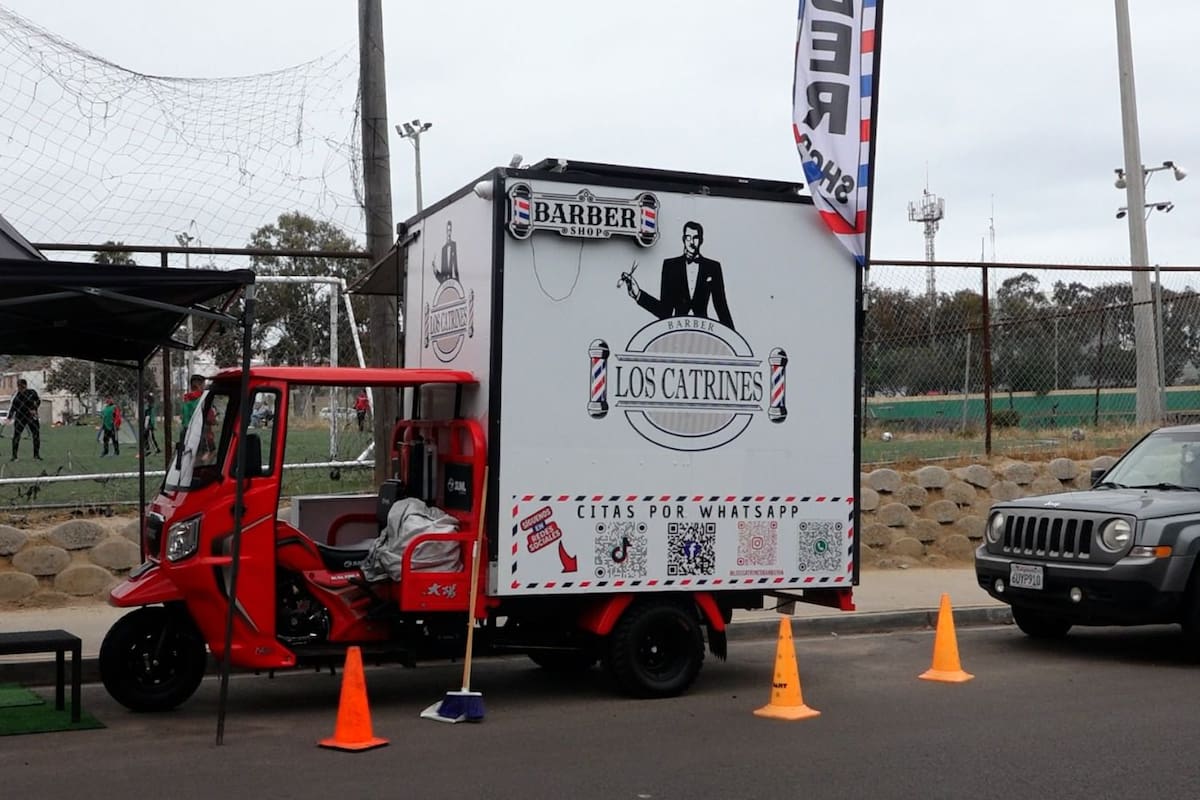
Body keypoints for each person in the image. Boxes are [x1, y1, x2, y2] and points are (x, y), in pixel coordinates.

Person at [620, 220, 735, 330]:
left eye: (695, 238)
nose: (691, 242)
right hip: (676, 331)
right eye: (688, 237)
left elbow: (721, 307)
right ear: (683, 239)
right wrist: (638, 294)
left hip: (703, 332)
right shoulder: (670, 266)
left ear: (701, 240)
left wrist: (734, 339)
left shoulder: (713, 267)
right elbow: (664, 311)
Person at [7, 379, 42, 461]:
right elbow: (13, 407)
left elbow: (38, 401)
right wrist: (9, 417)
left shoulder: (32, 393)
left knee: (36, 434)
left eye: (22, 386)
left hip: (31, 417)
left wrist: (34, 408)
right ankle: (14, 456)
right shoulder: (17, 396)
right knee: (16, 436)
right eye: (19, 386)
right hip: (20, 418)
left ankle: (36, 456)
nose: (20, 389)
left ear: (25, 386)